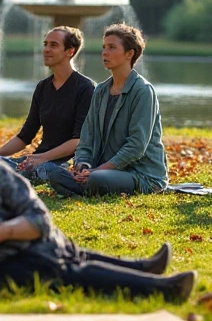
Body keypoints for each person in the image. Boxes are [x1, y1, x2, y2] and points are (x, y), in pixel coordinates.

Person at [0, 83, 197, 301]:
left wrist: (4, 230)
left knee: (60, 251)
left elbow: (39, 220)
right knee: (58, 267)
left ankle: (143, 269)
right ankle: (161, 289)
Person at [48, 24, 168, 197]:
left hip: (142, 175)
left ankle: (86, 187)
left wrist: (97, 171)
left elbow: (136, 146)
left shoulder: (143, 91)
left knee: (97, 179)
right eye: (104, 47)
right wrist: (83, 166)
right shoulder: (101, 90)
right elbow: (87, 138)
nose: (105, 52)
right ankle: (86, 186)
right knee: (55, 174)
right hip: (102, 170)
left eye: (112, 47)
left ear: (129, 53)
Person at [0, 27, 94, 187]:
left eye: (53, 45)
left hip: (63, 165)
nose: (46, 49)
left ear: (70, 51)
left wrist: (44, 157)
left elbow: (79, 140)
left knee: (18, 172)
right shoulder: (43, 87)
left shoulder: (85, 88)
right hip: (38, 160)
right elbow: (25, 136)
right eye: (45, 44)